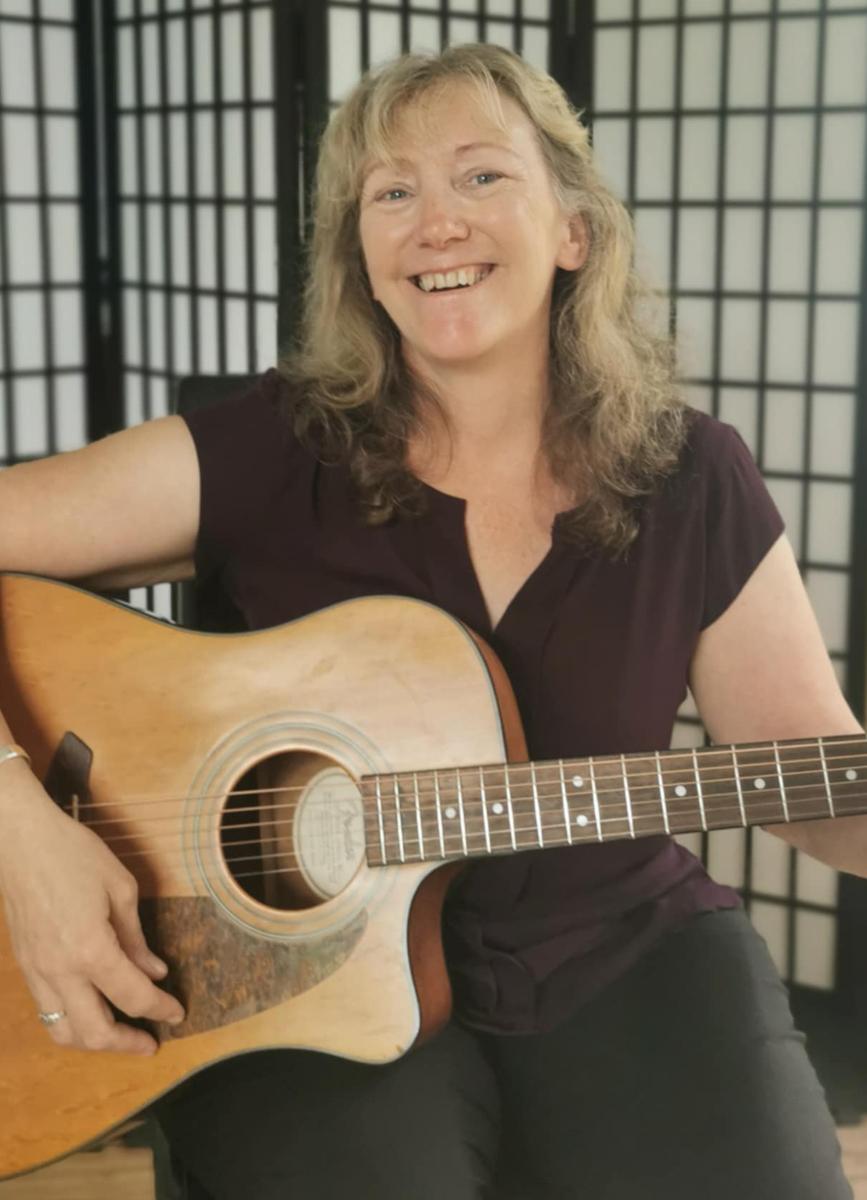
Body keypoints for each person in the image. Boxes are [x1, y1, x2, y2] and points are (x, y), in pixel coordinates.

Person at [0, 42, 863, 1200]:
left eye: (481, 176)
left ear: (574, 228)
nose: (436, 222)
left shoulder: (693, 475)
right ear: (359, 252)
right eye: (392, 192)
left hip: (619, 950)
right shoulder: (269, 449)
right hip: (293, 980)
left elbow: (807, 774)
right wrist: (23, 833)